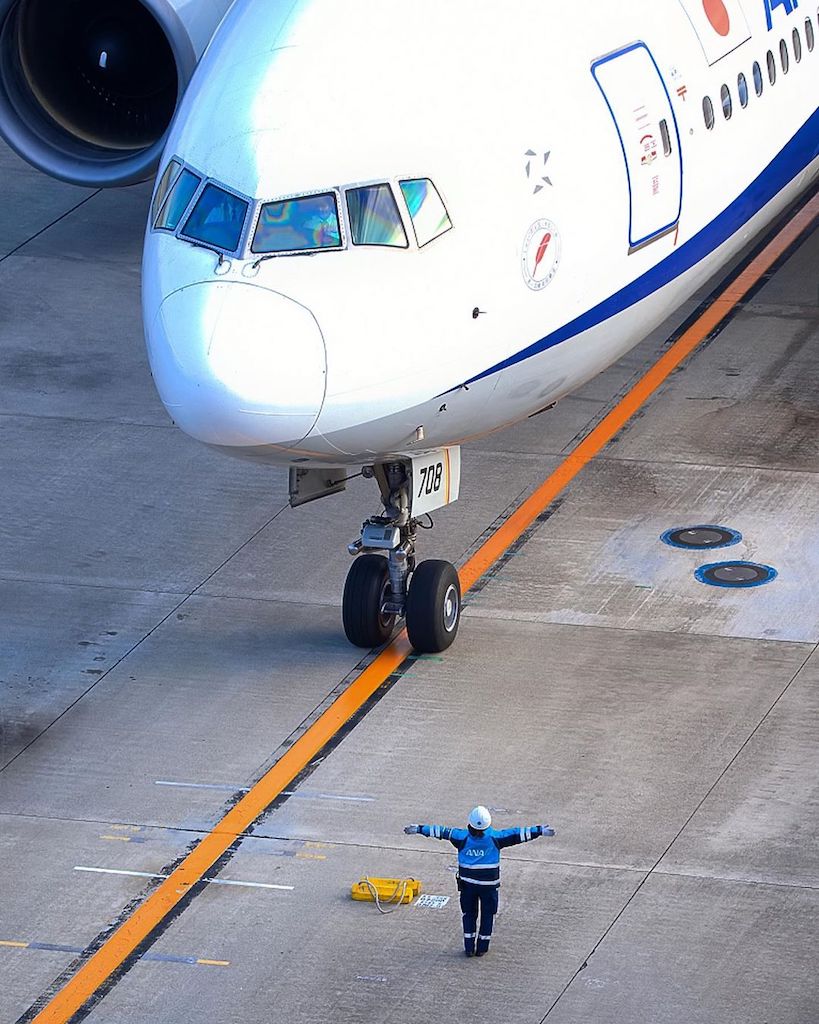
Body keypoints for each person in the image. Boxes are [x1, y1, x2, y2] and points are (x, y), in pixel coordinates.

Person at [404, 806, 555, 957]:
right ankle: (482, 948)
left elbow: (440, 831)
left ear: (469, 824)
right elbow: (517, 834)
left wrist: (419, 829)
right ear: (488, 825)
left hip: (467, 886)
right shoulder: (496, 837)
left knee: (469, 915)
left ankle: (469, 948)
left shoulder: (461, 837)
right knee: (488, 915)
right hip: (489, 888)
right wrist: (539, 830)